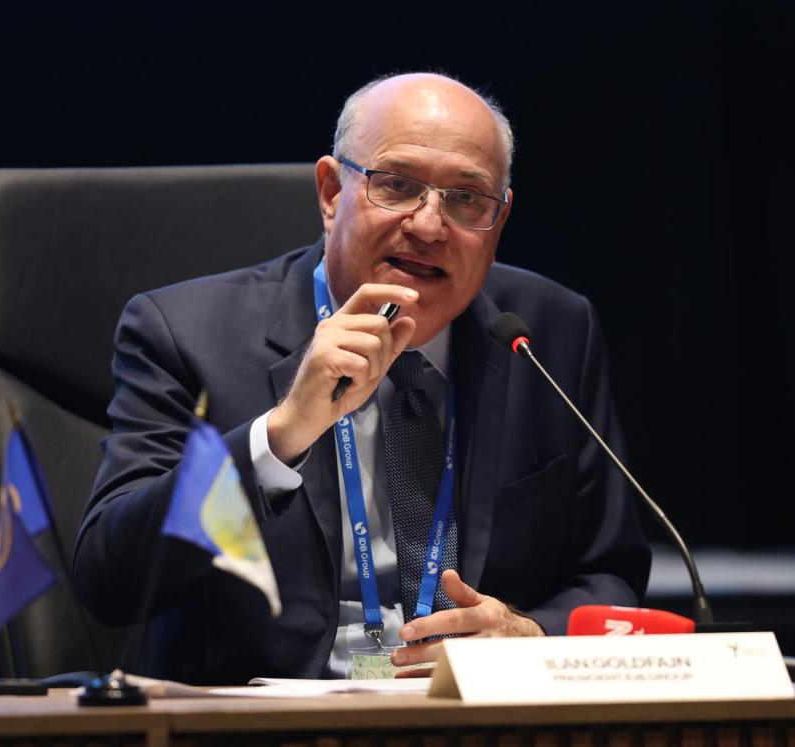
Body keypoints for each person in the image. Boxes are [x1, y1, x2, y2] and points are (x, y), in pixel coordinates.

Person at [74, 72, 651, 684]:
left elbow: (609, 572)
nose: (430, 226)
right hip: (264, 724)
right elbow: (110, 580)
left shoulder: (548, 333)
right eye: (398, 186)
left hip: (475, 714)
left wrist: (528, 634)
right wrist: (281, 435)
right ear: (330, 192)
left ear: (499, 218)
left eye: (466, 199)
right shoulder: (184, 334)